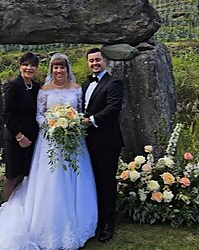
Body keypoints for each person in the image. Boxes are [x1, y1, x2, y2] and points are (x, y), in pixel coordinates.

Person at [0, 53, 97, 250]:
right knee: (48, 180)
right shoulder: (43, 90)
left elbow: (80, 112)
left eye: (62, 67)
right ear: (51, 69)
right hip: (50, 140)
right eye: (55, 67)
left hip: (73, 140)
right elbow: (39, 114)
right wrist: (51, 126)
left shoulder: (76, 89)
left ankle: (78, 218)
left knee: (74, 178)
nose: (59, 70)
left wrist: (72, 125)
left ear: (67, 69)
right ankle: (34, 216)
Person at [82, 48, 124, 243]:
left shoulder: (114, 82)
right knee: (91, 182)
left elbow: (113, 109)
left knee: (106, 183)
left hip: (107, 142)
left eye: (97, 60)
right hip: (86, 143)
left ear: (105, 61)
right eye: (91, 61)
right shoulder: (85, 84)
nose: (94, 64)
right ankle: (95, 219)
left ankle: (108, 223)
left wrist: (90, 120)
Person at [2, 52, 40, 200]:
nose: (29, 68)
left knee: (24, 173)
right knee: (12, 175)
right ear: (20, 67)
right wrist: (19, 136)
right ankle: (6, 208)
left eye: (32, 65)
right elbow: (7, 114)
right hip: (16, 138)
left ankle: (18, 206)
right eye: (25, 64)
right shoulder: (13, 86)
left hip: (31, 138)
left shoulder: (36, 87)